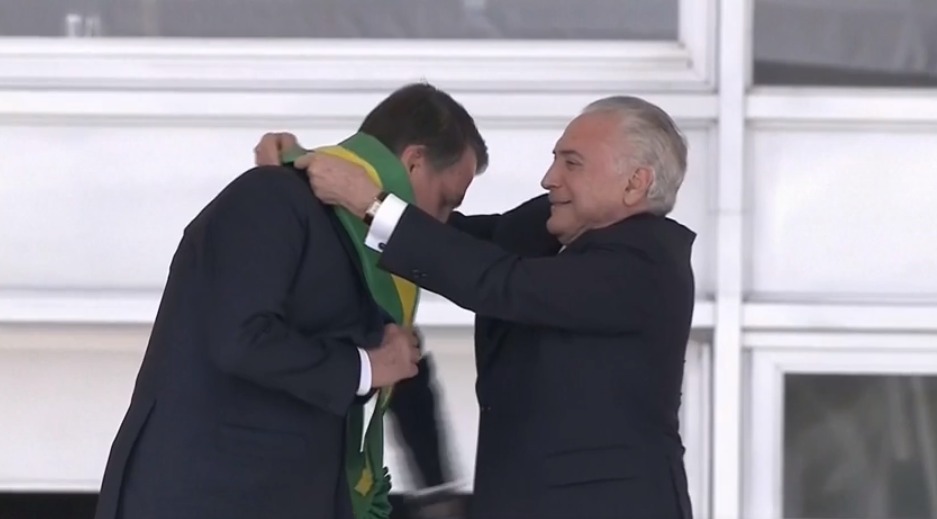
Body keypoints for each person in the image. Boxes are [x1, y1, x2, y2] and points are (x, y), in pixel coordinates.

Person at [282, 95, 697, 519]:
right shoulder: (549, 229)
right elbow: (451, 243)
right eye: (555, 160)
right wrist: (307, 175)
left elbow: (496, 281)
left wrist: (370, 203)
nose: (548, 179)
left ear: (635, 183)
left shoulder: (648, 264)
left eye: (572, 163)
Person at [93, 82, 493, 519]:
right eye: (445, 202)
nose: (439, 225)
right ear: (413, 161)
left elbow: (398, 361)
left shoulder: (365, 240)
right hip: (204, 495)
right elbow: (241, 338)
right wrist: (364, 367)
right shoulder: (271, 196)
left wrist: (437, 492)